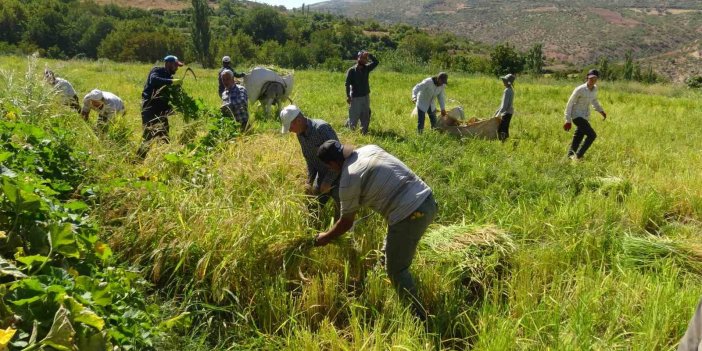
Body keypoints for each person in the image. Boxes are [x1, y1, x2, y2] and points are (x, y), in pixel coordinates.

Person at [315, 140, 438, 320]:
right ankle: (377, 284)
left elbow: (346, 222)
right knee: (387, 251)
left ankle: (419, 319)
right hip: (427, 198)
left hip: (410, 214)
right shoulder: (369, 148)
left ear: (333, 164)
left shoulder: (348, 180)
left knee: (397, 270)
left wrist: (325, 237)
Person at [280, 105, 340, 225]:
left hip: (340, 173)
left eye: (290, 126)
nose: (290, 130)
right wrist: (309, 180)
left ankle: (337, 234)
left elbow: (338, 158)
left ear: (298, 120)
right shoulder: (300, 134)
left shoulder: (321, 129)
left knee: (340, 209)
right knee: (312, 207)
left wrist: (328, 181)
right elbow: (309, 159)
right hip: (322, 174)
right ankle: (314, 231)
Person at [137, 55, 184, 159]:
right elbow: (154, 80)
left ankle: (165, 161)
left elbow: (165, 98)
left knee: (164, 137)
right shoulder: (157, 71)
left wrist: (173, 107)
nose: (177, 68)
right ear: (169, 64)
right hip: (149, 108)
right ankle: (137, 160)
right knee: (149, 136)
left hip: (160, 110)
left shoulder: (168, 76)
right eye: (175, 65)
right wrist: (171, 82)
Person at [564, 69, 607, 161]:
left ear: (597, 79)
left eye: (595, 78)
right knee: (592, 135)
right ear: (587, 77)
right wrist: (568, 120)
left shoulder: (595, 89)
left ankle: (569, 157)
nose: (593, 80)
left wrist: (601, 111)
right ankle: (578, 157)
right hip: (576, 115)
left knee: (578, 137)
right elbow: (570, 103)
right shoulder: (580, 89)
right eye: (591, 78)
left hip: (585, 116)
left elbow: (594, 101)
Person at [345, 51, 379, 135]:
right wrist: (348, 96)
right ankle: (351, 133)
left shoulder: (367, 68)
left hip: (366, 96)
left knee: (365, 115)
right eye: (362, 58)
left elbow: (376, 62)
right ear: (358, 58)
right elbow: (347, 84)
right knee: (354, 116)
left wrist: (369, 55)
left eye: (365, 58)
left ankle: (364, 132)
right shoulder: (351, 71)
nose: (364, 60)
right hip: (355, 97)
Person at [494, 73, 516, 141]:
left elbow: (504, 106)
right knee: (505, 128)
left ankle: (504, 143)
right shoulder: (511, 90)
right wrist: (497, 111)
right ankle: (506, 142)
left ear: (508, 82)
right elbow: (503, 105)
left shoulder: (507, 91)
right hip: (509, 112)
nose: (503, 81)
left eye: (505, 80)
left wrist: (497, 115)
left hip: (506, 113)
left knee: (501, 130)